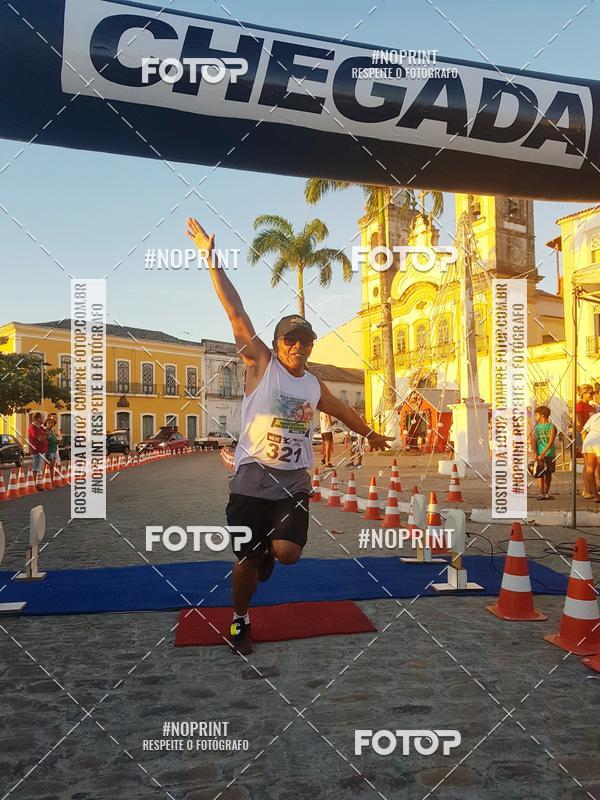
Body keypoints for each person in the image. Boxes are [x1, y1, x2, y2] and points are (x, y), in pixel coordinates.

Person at [186, 217, 393, 656]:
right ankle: (240, 619)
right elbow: (235, 312)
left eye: (306, 341)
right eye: (291, 340)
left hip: (294, 481)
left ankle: (267, 557)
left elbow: (343, 411)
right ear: (278, 344)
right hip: (251, 479)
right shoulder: (262, 364)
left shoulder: (313, 385)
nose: (299, 347)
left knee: (289, 553)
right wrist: (210, 257)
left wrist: (370, 432)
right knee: (245, 561)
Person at [529, 406, 557, 500]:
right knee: (539, 473)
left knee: (548, 473)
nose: (536, 417)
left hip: (549, 454)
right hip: (539, 453)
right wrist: (535, 452)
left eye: (537, 415)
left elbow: (550, 441)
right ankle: (541, 492)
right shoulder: (537, 427)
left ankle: (546, 492)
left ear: (542, 415)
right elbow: (535, 440)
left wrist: (543, 453)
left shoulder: (552, 427)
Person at [581, 409, 600, 500]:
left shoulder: (594, 416)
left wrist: (584, 445)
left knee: (589, 469)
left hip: (589, 440)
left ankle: (596, 496)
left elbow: (583, 432)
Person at [28, 412, 48, 490]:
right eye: (42, 417)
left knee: (39, 468)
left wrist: (45, 436)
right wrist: (45, 436)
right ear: (38, 418)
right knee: (36, 468)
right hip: (37, 450)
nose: (43, 419)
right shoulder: (33, 427)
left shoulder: (40, 427)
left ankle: (38, 484)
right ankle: (34, 485)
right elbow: (40, 438)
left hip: (42, 450)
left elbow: (46, 436)